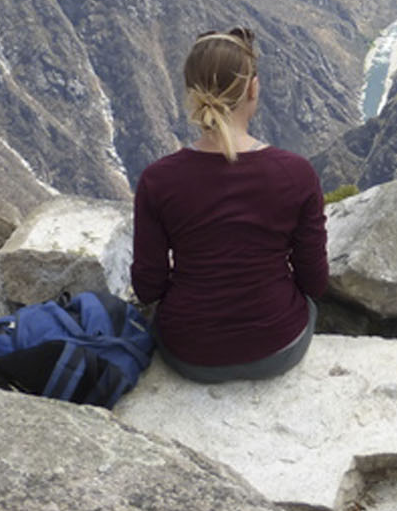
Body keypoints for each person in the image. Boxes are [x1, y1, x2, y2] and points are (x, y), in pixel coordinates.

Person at [130, 27, 328, 382]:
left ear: (192, 93)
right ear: (253, 88)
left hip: (189, 351)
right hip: (278, 345)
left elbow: (148, 287)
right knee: (306, 306)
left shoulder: (158, 180)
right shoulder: (296, 174)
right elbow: (314, 282)